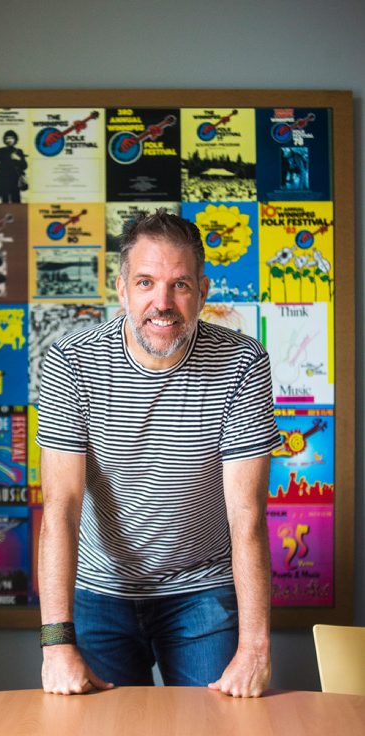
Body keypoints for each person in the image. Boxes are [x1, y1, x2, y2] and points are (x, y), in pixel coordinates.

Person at [36, 209, 280, 698]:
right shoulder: (71, 360)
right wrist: (56, 646)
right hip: (99, 593)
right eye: (146, 282)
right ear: (122, 288)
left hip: (203, 593)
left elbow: (246, 515)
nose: (162, 303)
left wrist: (255, 649)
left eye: (180, 285)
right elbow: (61, 510)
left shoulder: (243, 361)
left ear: (203, 291)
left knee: (218, 735)